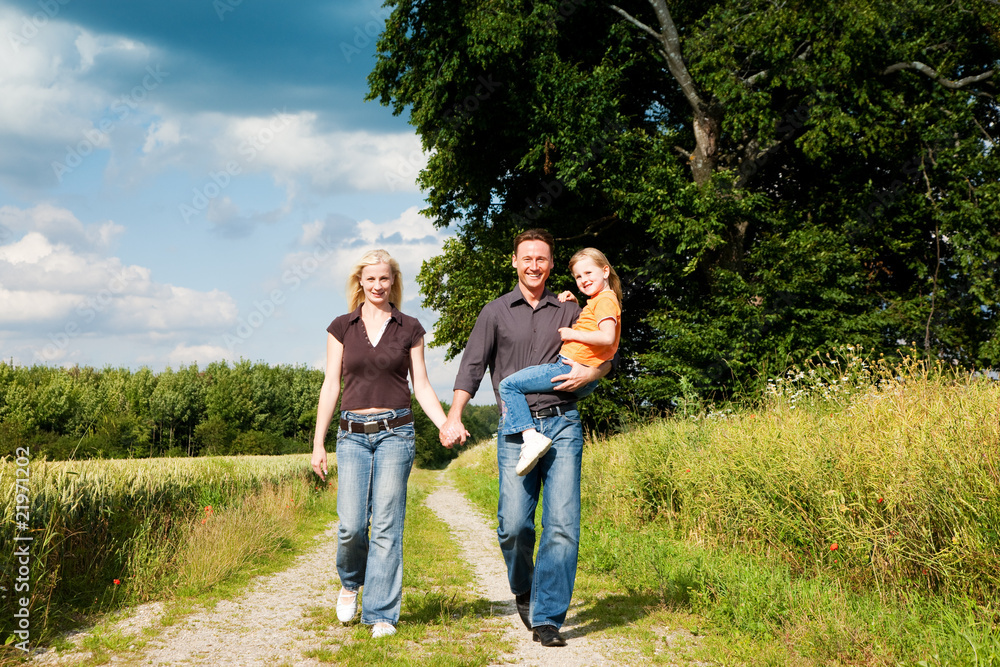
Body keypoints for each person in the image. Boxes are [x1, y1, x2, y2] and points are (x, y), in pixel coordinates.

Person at [440, 229, 613, 648]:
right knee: (514, 524)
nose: (534, 265)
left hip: (563, 423)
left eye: (542, 259)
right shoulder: (495, 311)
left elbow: (604, 356)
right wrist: (454, 415)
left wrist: (593, 374)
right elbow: (472, 366)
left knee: (562, 524)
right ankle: (524, 587)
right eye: (527, 258)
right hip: (517, 430)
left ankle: (548, 618)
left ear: (551, 265)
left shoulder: (571, 309)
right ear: (515, 262)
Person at [311, 249, 462, 639]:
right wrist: (318, 442)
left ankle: (381, 613)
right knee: (350, 525)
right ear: (359, 282)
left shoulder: (409, 327)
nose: (378, 286)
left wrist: (446, 423)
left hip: (397, 431)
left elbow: (422, 385)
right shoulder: (341, 326)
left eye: (384, 279)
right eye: (370, 279)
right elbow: (331, 385)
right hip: (351, 435)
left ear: (393, 282)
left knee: (387, 526)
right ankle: (349, 582)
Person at [498, 248, 622, 476]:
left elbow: (607, 337)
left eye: (588, 273)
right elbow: (594, 323)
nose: (583, 280)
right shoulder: (600, 300)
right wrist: (578, 303)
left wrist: (572, 334)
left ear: (605, 271)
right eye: (578, 277)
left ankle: (530, 437)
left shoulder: (605, 301)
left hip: (566, 366)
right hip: (581, 373)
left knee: (508, 385)